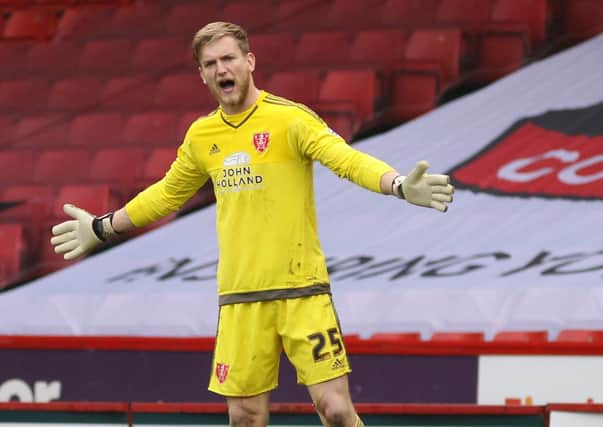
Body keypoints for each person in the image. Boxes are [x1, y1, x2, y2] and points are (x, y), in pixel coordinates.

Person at [50, 22, 454, 427]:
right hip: (241, 297)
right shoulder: (202, 135)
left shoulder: (290, 119)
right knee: (244, 418)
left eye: (228, 58)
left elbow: (345, 160)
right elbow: (167, 194)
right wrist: (103, 228)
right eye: (211, 64)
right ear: (202, 75)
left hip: (302, 291)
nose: (221, 69)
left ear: (249, 61)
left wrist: (397, 184)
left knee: (334, 409)